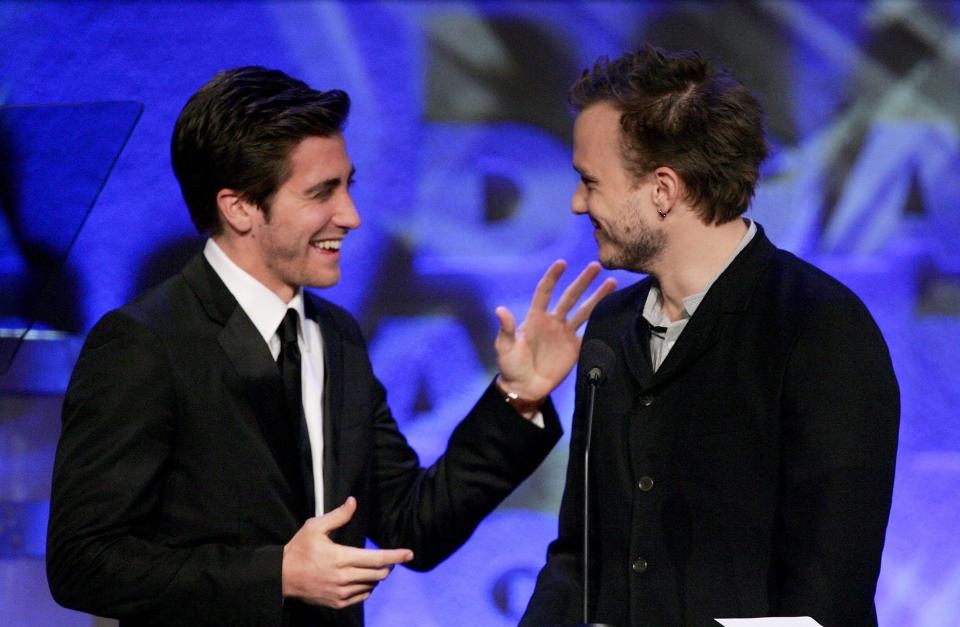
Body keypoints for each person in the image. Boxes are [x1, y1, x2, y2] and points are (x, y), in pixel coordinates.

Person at [45, 66, 616, 627]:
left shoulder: (335, 336)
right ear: (239, 206)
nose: (351, 215)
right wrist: (277, 575)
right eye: (323, 192)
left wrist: (516, 397)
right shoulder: (145, 343)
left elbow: (409, 522)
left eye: (349, 186)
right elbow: (84, 562)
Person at [521, 45, 899, 627]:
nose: (577, 204)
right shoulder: (612, 328)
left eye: (589, 182)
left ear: (664, 190)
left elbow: (828, 589)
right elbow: (581, 553)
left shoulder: (819, 328)